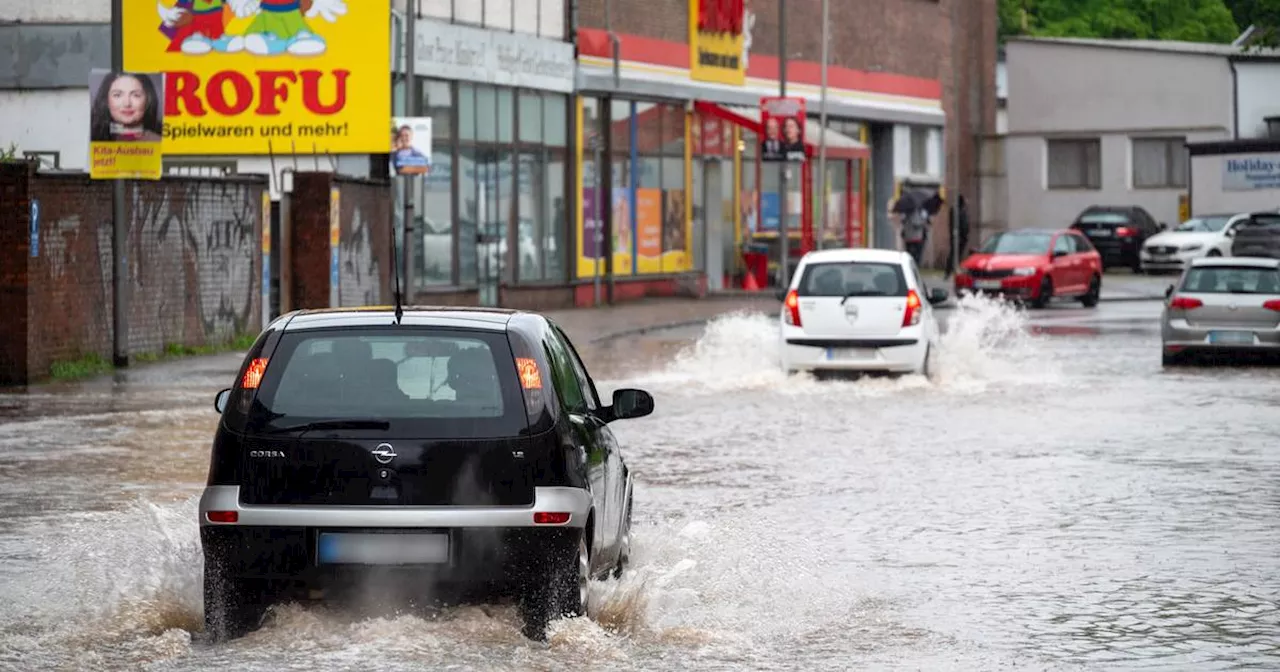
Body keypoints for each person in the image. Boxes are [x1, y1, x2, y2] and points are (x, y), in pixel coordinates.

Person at [90, 72, 163, 143]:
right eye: (117, 95)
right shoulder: (93, 139)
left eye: (136, 95)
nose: (127, 103)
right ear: (106, 101)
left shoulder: (158, 141)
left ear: (148, 100)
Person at [944, 194, 970, 279]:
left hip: (959, 236)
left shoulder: (958, 210)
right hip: (959, 236)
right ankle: (950, 271)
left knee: (956, 254)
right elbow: (962, 224)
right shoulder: (958, 211)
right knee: (954, 254)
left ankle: (952, 270)